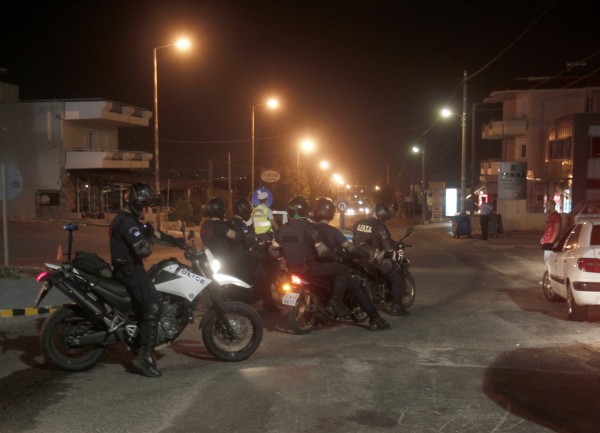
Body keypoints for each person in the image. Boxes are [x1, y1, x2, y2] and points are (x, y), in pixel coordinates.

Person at [270, 196, 389, 331]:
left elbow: (273, 250)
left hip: (293, 270)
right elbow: (323, 253)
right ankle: (336, 306)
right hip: (312, 268)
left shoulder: (282, 230)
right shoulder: (311, 229)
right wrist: (337, 258)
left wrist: (282, 258)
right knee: (343, 270)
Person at [109, 183, 183, 378]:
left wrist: (178, 242)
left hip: (129, 270)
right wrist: (150, 237)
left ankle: (139, 340)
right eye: (144, 205)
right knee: (154, 307)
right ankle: (144, 357)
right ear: (135, 203)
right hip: (130, 272)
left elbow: (155, 234)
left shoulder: (131, 221)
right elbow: (143, 249)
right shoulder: (126, 223)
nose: (146, 210)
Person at [313, 197, 390, 330]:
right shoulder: (333, 231)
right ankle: (375, 319)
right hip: (329, 268)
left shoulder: (308, 229)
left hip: (310, 268)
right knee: (356, 287)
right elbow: (350, 248)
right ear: (331, 213)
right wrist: (363, 254)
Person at [201, 197, 278, 311]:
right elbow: (238, 237)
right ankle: (268, 303)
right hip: (235, 260)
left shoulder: (208, 225)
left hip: (219, 260)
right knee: (263, 274)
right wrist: (250, 237)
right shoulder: (224, 226)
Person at [352, 204, 409, 316]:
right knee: (396, 278)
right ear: (383, 215)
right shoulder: (380, 226)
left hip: (359, 259)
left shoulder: (358, 223)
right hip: (374, 261)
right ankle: (397, 307)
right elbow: (389, 247)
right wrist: (397, 245)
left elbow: (354, 239)